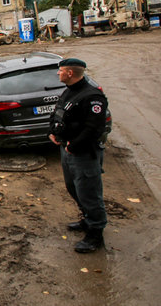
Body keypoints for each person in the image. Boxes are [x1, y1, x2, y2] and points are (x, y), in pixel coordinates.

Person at [48, 58, 108, 253]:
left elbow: (94, 128)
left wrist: (74, 146)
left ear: (70, 73)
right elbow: (57, 114)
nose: (58, 74)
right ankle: (87, 219)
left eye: (61, 71)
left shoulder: (92, 96)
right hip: (67, 150)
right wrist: (53, 133)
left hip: (83, 153)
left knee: (89, 193)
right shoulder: (69, 92)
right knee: (73, 187)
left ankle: (95, 234)